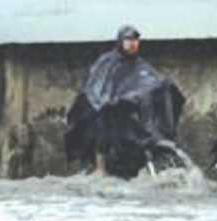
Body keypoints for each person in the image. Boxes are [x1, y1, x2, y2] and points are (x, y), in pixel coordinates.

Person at [65, 24, 184, 177]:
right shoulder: (108, 62)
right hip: (105, 112)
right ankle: (100, 169)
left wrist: (162, 87)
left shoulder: (140, 66)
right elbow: (97, 88)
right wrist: (107, 102)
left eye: (135, 40)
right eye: (128, 40)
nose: (133, 43)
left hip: (128, 112)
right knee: (101, 123)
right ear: (120, 41)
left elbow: (151, 82)